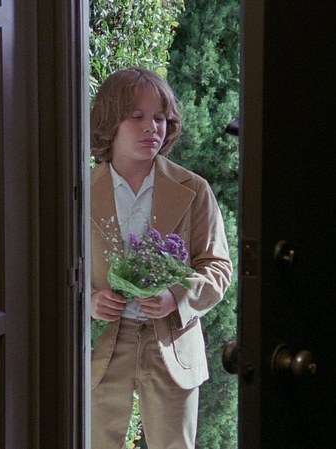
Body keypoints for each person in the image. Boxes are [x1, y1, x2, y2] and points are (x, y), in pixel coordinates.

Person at [90, 67, 233, 449]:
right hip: (102, 346)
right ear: (109, 122)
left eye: (159, 117)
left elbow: (218, 267)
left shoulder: (194, 190)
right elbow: (56, 270)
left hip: (173, 343)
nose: (151, 127)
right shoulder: (80, 192)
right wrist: (90, 301)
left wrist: (177, 296)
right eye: (136, 116)